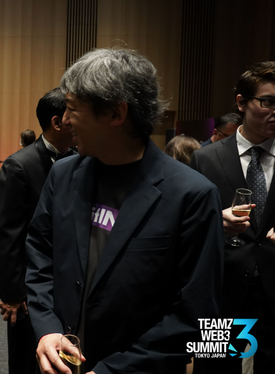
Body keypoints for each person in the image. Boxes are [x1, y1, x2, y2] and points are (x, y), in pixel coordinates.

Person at [26, 48, 224, 374]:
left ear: (116, 113)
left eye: (73, 108)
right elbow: (39, 256)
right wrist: (47, 328)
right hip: (60, 363)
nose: (65, 120)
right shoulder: (63, 175)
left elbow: (196, 315)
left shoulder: (192, 196)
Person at [190, 61, 275, 374]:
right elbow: (183, 228)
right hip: (220, 293)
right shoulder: (204, 158)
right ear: (241, 102)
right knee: (214, 369)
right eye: (268, 102)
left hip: (273, 292)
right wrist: (215, 224)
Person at [0, 88, 76, 374]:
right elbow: (7, 236)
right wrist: (13, 294)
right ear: (57, 122)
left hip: (69, 280)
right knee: (27, 359)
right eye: (73, 113)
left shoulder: (80, 159)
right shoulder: (19, 165)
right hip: (30, 286)